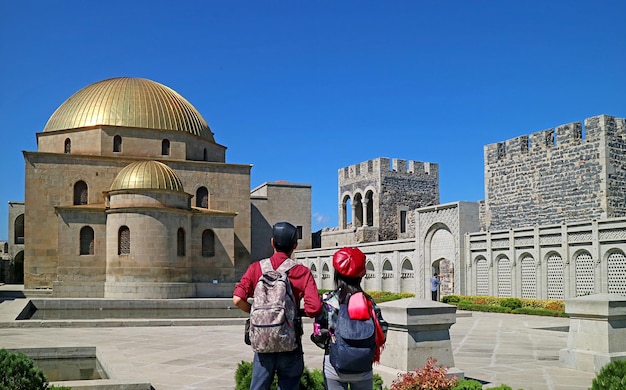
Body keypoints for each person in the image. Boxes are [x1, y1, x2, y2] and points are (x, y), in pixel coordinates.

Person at [232, 221, 322, 390]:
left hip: (263, 340)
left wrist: (256, 312)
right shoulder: (302, 271)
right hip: (290, 342)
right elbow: (314, 308)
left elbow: (237, 299)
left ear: (272, 242)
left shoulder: (256, 268)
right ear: (295, 245)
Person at [310, 247, 387, 390]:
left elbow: (318, 333)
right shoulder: (369, 302)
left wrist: (330, 343)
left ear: (336, 273)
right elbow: (382, 333)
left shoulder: (328, 300)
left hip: (334, 367)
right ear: (362, 274)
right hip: (363, 367)